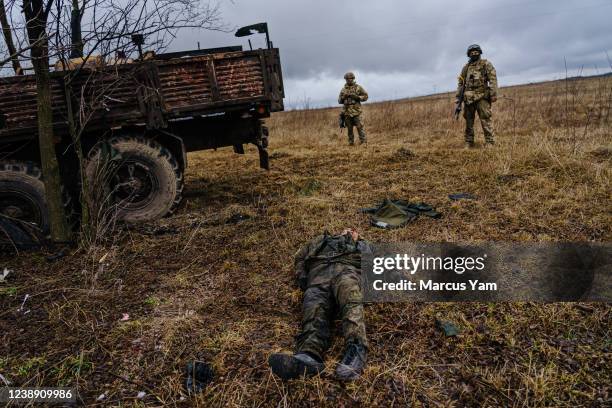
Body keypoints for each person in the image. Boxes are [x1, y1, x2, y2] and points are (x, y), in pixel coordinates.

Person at [268, 229, 371, 381]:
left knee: (350, 296)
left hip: (347, 271)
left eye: (354, 231)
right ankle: (308, 355)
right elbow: (300, 257)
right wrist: (303, 278)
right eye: (347, 229)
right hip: (318, 274)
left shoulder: (363, 245)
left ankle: (356, 348)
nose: (350, 231)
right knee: (313, 303)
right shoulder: (319, 240)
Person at [456, 44, 498, 148]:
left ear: (480, 52)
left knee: (486, 119)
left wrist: (493, 94)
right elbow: (461, 83)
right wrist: (458, 98)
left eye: (476, 51)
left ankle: (490, 142)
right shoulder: (465, 68)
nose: (474, 53)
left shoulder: (486, 64)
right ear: (469, 54)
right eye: (472, 52)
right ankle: (469, 142)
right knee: (469, 121)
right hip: (468, 98)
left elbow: (493, 79)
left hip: (482, 96)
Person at [338, 72, 369, 145]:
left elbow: (366, 96)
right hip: (347, 112)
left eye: (350, 78)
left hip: (356, 112)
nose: (348, 80)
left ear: (353, 78)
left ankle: (363, 142)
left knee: (360, 127)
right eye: (347, 79)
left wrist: (357, 97)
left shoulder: (358, 87)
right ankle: (351, 143)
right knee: (349, 129)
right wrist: (343, 97)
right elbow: (339, 101)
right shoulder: (343, 90)